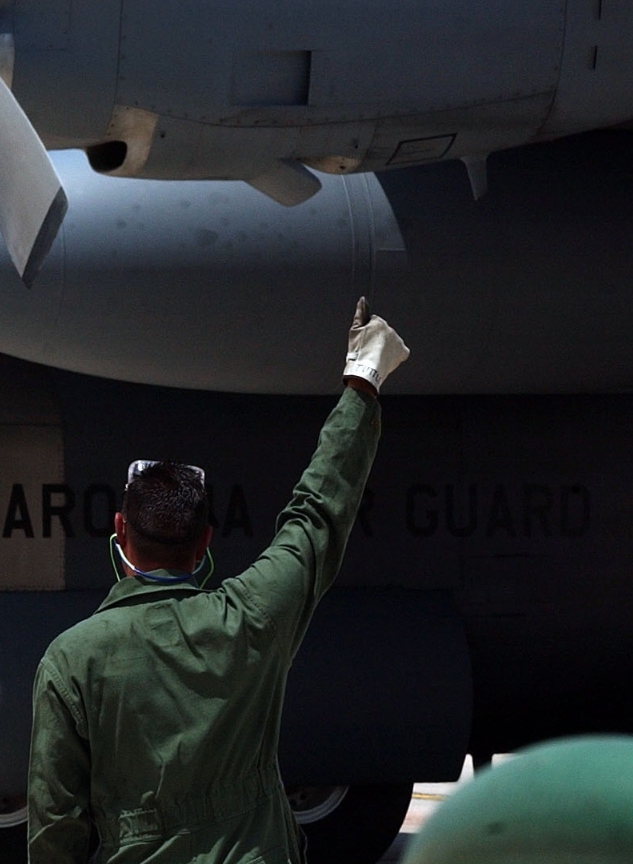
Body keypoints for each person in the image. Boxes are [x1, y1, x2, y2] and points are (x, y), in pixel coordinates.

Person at [27, 297, 410, 864]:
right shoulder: (253, 616)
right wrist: (363, 380)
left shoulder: (71, 660)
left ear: (119, 530)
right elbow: (319, 511)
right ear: (206, 540)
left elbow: (54, 824)